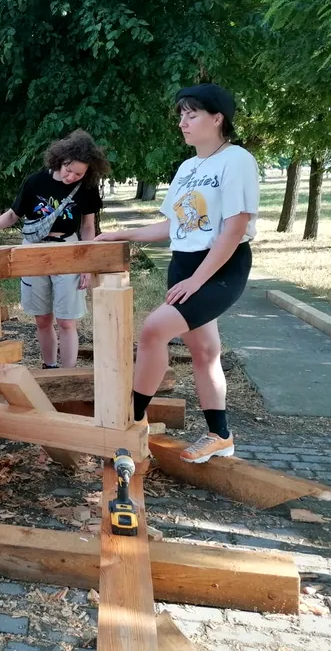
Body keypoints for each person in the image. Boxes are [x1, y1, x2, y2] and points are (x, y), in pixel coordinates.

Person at [96, 83, 259, 464]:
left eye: (192, 114)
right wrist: (123, 233)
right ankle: (220, 435)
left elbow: (234, 228)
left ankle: (133, 417)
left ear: (217, 119)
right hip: (183, 264)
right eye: (181, 115)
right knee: (204, 352)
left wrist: (196, 280)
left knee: (153, 329)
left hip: (219, 267)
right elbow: (173, 225)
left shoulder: (237, 160)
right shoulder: (188, 167)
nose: (183, 122)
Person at [0, 129, 110, 369]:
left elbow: (88, 227)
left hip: (69, 250)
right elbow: (13, 214)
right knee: (42, 319)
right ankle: (49, 367)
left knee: (66, 321)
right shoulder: (35, 181)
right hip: (34, 250)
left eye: (79, 173)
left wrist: (87, 264)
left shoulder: (87, 187)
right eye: (68, 169)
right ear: (61, 159)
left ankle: (67, 375)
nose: (71, 177)